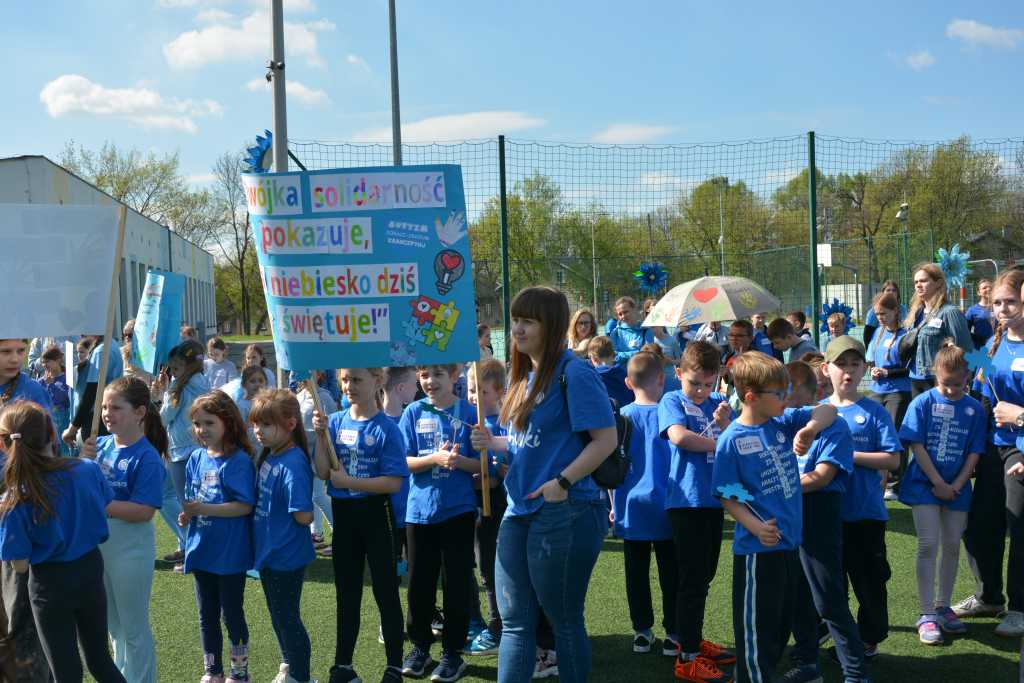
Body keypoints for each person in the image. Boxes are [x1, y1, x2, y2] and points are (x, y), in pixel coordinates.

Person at [470, 287, 616, 683]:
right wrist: (494, 442)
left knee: (564, 620)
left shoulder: (576, 372)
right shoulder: (522, 375)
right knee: (515, 623)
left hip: (567, 509)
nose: (517, 328)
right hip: (519, 510)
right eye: (515, 320)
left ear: (550, 326)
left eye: (528, 321)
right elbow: (530, 441)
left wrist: (562, 482)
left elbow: (606, 440)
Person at [710, 352, 836, 683]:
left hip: (790, 546)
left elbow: (829, 410)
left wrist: (809, 429)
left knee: (779, 628)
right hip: (758, 553)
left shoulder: (782, 421)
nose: (786, 398)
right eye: (779, 393)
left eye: (787, 391)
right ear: (751, 397)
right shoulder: (731, 440)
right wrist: (755, 526)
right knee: (757, 634)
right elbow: (726, 493)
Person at [0, 401, 126, 683]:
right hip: (90, 570)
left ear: (5, 445)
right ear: (52, 434)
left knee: (65, 672)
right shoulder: (87, 470)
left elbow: (20, 565)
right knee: (101, 661)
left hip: (49, 584)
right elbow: (102, 502)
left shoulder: (14, 499)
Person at [312, 367, 408, 683]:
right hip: (344, 515)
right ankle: (343, 665)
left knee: (386, 590)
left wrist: (350, 482)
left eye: (357, 380)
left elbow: (393, 482)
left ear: (378, 381)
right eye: (345, 379)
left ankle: (394, 665)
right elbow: (323, 472)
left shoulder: (387, 428)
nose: (349, 386)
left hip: (376, 515)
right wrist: (321, 437)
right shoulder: (335, 422)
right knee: (347, 592)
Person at [656, 341, 735, 682]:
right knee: (691, 579)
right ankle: (686, 655)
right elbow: (679, 437)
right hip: (686, 502)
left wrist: (726, 423)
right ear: (678, 374)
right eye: (694, 383)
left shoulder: (719, 403)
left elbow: (737, 439)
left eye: (708, 383)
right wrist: (720, 442)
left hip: (714, 502)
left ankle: (693, 640)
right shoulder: (672, 400)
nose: (701, 390)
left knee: (704, 576)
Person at [398, 364, 483, 682]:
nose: (430, 381)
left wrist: (461, 461)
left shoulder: (470, 413)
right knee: (419, 584)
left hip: (458, 511)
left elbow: (482, 466)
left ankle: (453, 652)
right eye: (424, 375)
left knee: (456, 584)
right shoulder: (413, 412)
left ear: (454, 376)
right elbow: (403, 460)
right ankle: (420, 646)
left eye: (438, 374)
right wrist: (434, 458)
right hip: (419, 512)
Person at [782, 361, 865, 683]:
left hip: (819, 513)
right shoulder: (784, 419)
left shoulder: (834, 426)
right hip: (789, 514)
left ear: (809, 394)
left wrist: (774, 487)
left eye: (787, 394)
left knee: (828, 599)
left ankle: (856, 673)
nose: (782, 402)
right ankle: (807, 663)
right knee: (797, 595)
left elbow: (821, 478)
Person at [898, 345, 986, 645]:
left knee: (951, 545)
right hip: (924, 485)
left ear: (968, 378)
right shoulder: (922, 402)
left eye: (957, 384)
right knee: (928, 545)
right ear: (935, 374)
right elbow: (916, 445)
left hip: (957, 488)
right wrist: (937, 482)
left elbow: (975, 451)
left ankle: (942, 606)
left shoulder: (974, 408)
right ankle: (926, 614)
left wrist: (957, 484)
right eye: (945, 383)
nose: (951, 390)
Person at [82, 377, 167, 683]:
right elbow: (80, 489)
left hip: (131, 548)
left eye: (116, 407)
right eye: (105, 407)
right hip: (99, 545)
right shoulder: (99, 447)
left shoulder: (147, 457)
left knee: (133, 628)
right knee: (113, 627)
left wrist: (101, 503)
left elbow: (143, 511)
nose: (107, 413)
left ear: (140, 412)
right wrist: (82, 463)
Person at [956, 269, 1024, 636]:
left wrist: (1020, 416)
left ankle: (1020, 607)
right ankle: (989, 596)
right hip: (992, 448)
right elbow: (981, 398)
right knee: (978, 524)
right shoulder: (991, 346)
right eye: (997, 302)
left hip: (1020, 450)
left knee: (1019, 525)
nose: (1002, 308)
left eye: (1010, 301)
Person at [824, 336, 902, 657]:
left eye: (855, 364)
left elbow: (893, 459)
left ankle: (869, 639)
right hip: (826, 516)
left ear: (865, 369)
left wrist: (850, 455)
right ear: (826, 369)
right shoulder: (817, 412)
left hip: (866, 515)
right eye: (841, 364)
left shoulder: (874, 411)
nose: (848, 371)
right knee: (830, 584)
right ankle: (838, 638)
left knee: (869, 582)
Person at [180, 391, 257, 683]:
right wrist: (188, 514)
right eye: (197, 423)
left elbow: (244, 506)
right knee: (206, 615)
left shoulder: (238, 461)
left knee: (231, 614)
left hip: (229, 553)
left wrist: (204, 509)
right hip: (202, 549)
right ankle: (212, 671)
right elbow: (194, 499)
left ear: (228, 422)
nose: (202, 430)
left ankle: (239, 672)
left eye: (209, 423)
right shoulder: (196, 458)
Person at [613, 353, 678, 658]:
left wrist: (613, 504)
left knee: (636, 573)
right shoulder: (671, 414)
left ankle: (642, 631)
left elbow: (612, 466)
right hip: (668, 505)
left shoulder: (622, 416)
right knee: (671, 572)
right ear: (662, 378)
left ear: (628, 383)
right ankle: (674, 633)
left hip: (631, 507)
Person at [249, 389, 316, 683]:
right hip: (270, 553)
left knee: (287, 618)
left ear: (290, 424)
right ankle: (290, 664)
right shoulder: (272, 455)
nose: (258, 430)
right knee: (279, 616)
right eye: (256, 423)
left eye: (266, 424)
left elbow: (304, 515)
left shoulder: (293, 462)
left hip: (285, 556)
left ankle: (301, 677)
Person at [153, 340, 210, 571]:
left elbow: (165, 417)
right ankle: (186, 544)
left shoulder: (180, 386)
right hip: (194, 448)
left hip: (181, 452)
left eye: (176, 368)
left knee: (184, 502)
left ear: (188, 366)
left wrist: (159, 396)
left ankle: (192, 548)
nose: (172, 372)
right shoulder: (202, 381)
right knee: (177, 498)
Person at [465, 359, 509, 657]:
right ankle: (480, 620)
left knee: (493, 568)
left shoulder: (504, 425)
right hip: (472, 506)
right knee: (478, 566)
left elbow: (499, 475)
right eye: (471, 390)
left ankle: (498, 625)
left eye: (482, 392)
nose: (474, 397)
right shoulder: (469, 423)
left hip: (497, 506)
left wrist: (496, 472)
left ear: (499, 392)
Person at [866, 292, 912, 501]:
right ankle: (876, 478)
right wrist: (874, 370)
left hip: (898, 392)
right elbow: (871, 359)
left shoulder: (906, 334)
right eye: (877, 314)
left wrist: (888, 372)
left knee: (893, 435)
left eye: (883, 313)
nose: (880, 318)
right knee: (873, 432)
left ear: (895, 311)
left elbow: (910, 367)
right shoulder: (878, 332)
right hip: (877, 390)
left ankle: (895, 483)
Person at [903, 263, 973, 397]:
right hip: (914, 378)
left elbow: (965, 348)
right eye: (916, 282)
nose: (918, 285)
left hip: (938, 380)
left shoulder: (949, 312)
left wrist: (962, 380)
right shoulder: (916, 313)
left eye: (923, 281)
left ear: (939, 283)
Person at [297, 373, 337, 557]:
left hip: (318, 455)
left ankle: (341, 533)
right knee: (313, 496)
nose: (305, 374)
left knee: (319, 496)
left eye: (310, 370)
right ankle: (317, 534)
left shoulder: (324, 397)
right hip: (304, 454)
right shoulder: (299, 396)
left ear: (319, 373)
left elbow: (332, 426)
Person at [65, 335, 124, 443]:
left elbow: (92, 392)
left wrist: (73, 428)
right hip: (108, 413)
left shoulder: (101, 351)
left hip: (98, 418)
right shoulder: (112, 344)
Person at [38, 345, 71, 456]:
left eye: (48, 361)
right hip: (46, 420)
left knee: (65, 451)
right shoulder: (41, 381)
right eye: (43, 362)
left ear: (58, 360)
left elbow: (64, 398)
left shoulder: (66, 378)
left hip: (63, 420)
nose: (44, 365)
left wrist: (51, 385)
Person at [587, 336, 635, 407]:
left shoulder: (593, 378)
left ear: (594, 358)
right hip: (626, 412)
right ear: (613, 355)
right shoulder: (625, 374)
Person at [607, 296, 656, 365]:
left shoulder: (646, 330)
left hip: (641, 370)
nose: (623, 316)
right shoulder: (615, 333)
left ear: (634, 309)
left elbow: (647, 354)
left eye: (625, 312)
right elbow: (612, 357)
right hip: (621, 371)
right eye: (620, 314)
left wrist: (621, 355)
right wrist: (637, 352)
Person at [863, 280, 907, 347]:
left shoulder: (903, 309)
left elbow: (907, 326)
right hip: (880, 342)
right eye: (888, 290)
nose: (891, 292)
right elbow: (867, 334)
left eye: (894, 290)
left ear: (898, 293)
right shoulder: (873, 311)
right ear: (883, 292)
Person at [965, 279, 995, 351]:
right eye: (984, 288)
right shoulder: (972, 310)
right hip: (981, 349)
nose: (988, 289)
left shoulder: (999, 307)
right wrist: (979, 340)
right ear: (979, 292)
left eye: (990, 287)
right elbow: (965, 331)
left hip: (998, 347)